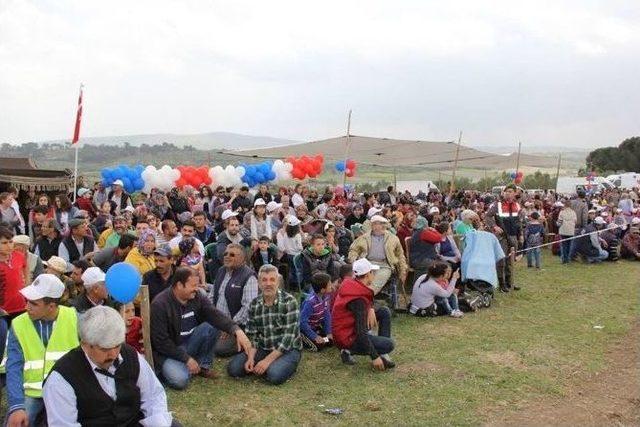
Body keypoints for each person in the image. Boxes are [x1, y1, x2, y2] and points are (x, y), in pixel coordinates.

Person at [43, 306, 177, 426]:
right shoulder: (61, 378)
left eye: (117, 345)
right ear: (85, 344)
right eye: (104, 349)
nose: (113, 354)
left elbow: (153, 396)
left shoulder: (130, 354)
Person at [150, 267, 252, 390]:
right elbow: (161, 343)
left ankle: (202, 365)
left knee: (211, 325)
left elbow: (214, 314)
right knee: (180, 381)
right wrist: (186, 359)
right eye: (193, 285)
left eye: (197, 285)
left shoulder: (197, 296)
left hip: (190, 342)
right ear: (179, 285)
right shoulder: (159, 304)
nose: (196, 289)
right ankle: (185, 366)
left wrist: (236, 330)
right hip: (170, 351)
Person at [4, 274, 79, 427]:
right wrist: (16, 406)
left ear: (51, 306)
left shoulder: (74, 318)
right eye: (27, 302)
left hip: (67, 392)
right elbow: (13, 367)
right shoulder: (18, 324)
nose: (27, 307)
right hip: (32, 394)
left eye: (33, 303)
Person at [227, 264, 303, 385]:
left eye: (272, 280)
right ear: (259, 283)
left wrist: (267, 361)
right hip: (264, 347)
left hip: (288, 349)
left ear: (278, 282)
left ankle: (286, 364)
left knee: (274, 375)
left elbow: (288, 339)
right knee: (234, 369)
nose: (268, 284)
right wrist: (251, 358)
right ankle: (265, 364)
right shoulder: (254, 304)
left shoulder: (290, 302)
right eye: (264, 280)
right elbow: (253, 336)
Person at [331, 258, 396, 370]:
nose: (374, 274)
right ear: (367, 275)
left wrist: (370, 308)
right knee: (389, 344)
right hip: (348, 337)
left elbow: (366, 296)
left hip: (348, 330)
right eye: (372, 272)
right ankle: (349, 350)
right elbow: (360, 332)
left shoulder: (351, 285)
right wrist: (374, 357)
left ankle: (383, 354)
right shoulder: (358, 301)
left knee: (384, 311)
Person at [211, 244, 258, 356]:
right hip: (218, 320)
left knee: (219, 349)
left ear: (242, 259)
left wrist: (229, 326)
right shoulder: (221, 270)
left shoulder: (249, 277)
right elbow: (212, 296)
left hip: (237, 324)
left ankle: (245, 340)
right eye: (225, 254)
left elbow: (248, 308)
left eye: (232, 255)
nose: (227, 256)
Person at [348, 215, 408, 303]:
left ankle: (365, 297)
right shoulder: (364, 237)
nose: (383, 226)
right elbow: (353, 250)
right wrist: (354, 261)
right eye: (380, 224)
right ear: (373, 225)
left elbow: (400, 255)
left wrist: (403, 270)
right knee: (360, 277)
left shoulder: (393, 238)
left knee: (380, 278)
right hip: (367, 263)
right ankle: (358, 296)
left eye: (384, 224)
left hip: (385, 265)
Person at [484, 184, 524, 292]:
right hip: (502, 237)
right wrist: (494, 226)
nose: (508, 193)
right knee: (501, 261)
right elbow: (487, 216)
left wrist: (521, 234)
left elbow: (519, 222)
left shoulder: (517, 205)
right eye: (506, 191)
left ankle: (509, 282)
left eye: (510, 191)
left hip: (513, 236)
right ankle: (501, 284)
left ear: (515, 193)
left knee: (510, 261)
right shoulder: (497, 204)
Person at [299, 272, 333, 352]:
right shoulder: (310, 302)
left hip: (315, 326)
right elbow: (302, 322)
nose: (331, 286)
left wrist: (328, 332)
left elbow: (326, 315)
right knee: (318, 346)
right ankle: (301, 339)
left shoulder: (326, 297)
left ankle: (321, 338)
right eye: (329, 285)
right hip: (304, 329)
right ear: (322, 290)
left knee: (331, 340)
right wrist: (314, 337)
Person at [0, 227, 28, 320]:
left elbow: (25, 273)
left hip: (21, 306)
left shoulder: (19, 256)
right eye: (4, 243)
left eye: (11, 242)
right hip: (3, 311)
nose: (9, 246)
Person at [557, 198, 578, 264]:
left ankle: (564, 259)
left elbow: (559, 222)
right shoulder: (573, 212)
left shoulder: (562, 212)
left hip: (563, 231)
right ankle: (568, 259)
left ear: (565, 205)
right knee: (569, 246)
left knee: (563, 246)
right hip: (571, 231)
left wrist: (557, 224)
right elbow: (575, 221)